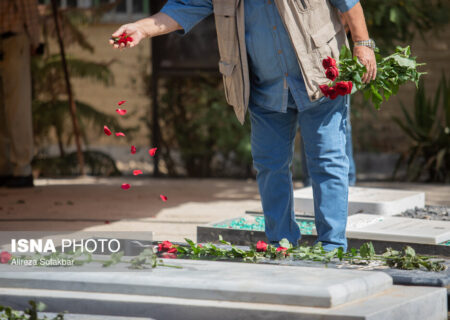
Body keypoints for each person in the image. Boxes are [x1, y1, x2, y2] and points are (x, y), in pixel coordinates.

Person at [110, 0, 377, 251]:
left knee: (327, 161)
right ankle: (281, 243)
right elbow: (185, 5)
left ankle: (332, 246)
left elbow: (348, 1)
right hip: (264, 88)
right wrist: (141, 29)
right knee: (270, 166)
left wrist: (362, 43)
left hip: (321, 77)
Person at [0, 0, 41, 188]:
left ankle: (22, 167)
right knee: (5, 109)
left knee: (17, 106)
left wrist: (35, 40)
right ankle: (5, 166)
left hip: (14, 38)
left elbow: (28, 7)